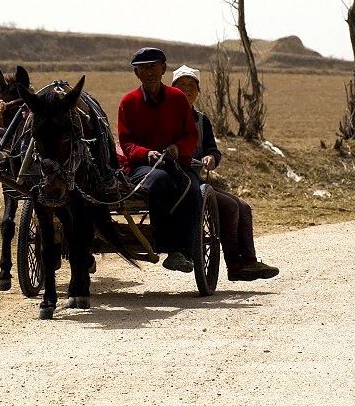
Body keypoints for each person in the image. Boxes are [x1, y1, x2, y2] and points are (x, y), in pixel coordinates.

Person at [171, 65, 279, 282]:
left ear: (198, 91)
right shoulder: (168, 118)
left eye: (191, 85)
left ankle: (248, 262)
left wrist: (212, 158)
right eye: (180, 85)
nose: (186, 89)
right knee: (229, 207)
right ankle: (235, 266)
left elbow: (212, 149)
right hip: (177, 180)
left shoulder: (202, 120)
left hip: (198, 179)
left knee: (244, 206)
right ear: (172, 90)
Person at [117, 47, 202, 273]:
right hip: (141, 167)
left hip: (177, 164)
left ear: (163, 69)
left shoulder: (177, 99)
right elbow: (126, 143)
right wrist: (146, 153)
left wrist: (176, 147)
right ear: (137, 73)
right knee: (159, 180)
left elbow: (192, 135)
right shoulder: (128, 102)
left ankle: (184, 252)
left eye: (153, 66)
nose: (149, 72)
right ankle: (166, 245)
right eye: (143, 68)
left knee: (193, 190)